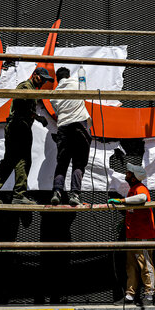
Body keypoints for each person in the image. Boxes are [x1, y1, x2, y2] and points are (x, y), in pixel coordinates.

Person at [0, 67, 52, 205]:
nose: (43, 82)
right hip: (19, 126)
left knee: (15, 161)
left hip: (19, 126)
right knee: (20, 160)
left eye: (45, 81)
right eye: (42, 78)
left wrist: (37, 117)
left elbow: (24, 107)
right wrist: (35, 116)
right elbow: (20, 102)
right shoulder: (25, 86)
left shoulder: (32, 89)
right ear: (34, 75)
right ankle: (15, 194)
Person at [108, 163, 155, 306]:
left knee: (145, 264)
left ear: (134, 178)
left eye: (129, 173)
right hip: (132, 233)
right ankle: (130, 295)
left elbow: (142, 198)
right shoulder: (132, 190)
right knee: (131, 266)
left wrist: (122, 201)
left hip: (142, 234)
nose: (126, 174)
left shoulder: (140, 189)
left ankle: (149, 295)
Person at [49, 67, 92, 206]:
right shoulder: (77, 82)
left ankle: (57, 192)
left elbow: (57, 111)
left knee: (62, 163)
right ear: (68, 76)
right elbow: (84, 92)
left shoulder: (54, 94)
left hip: (63, 127)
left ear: (57, 79)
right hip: (79, 125)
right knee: (78, 162)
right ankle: (75, 194)